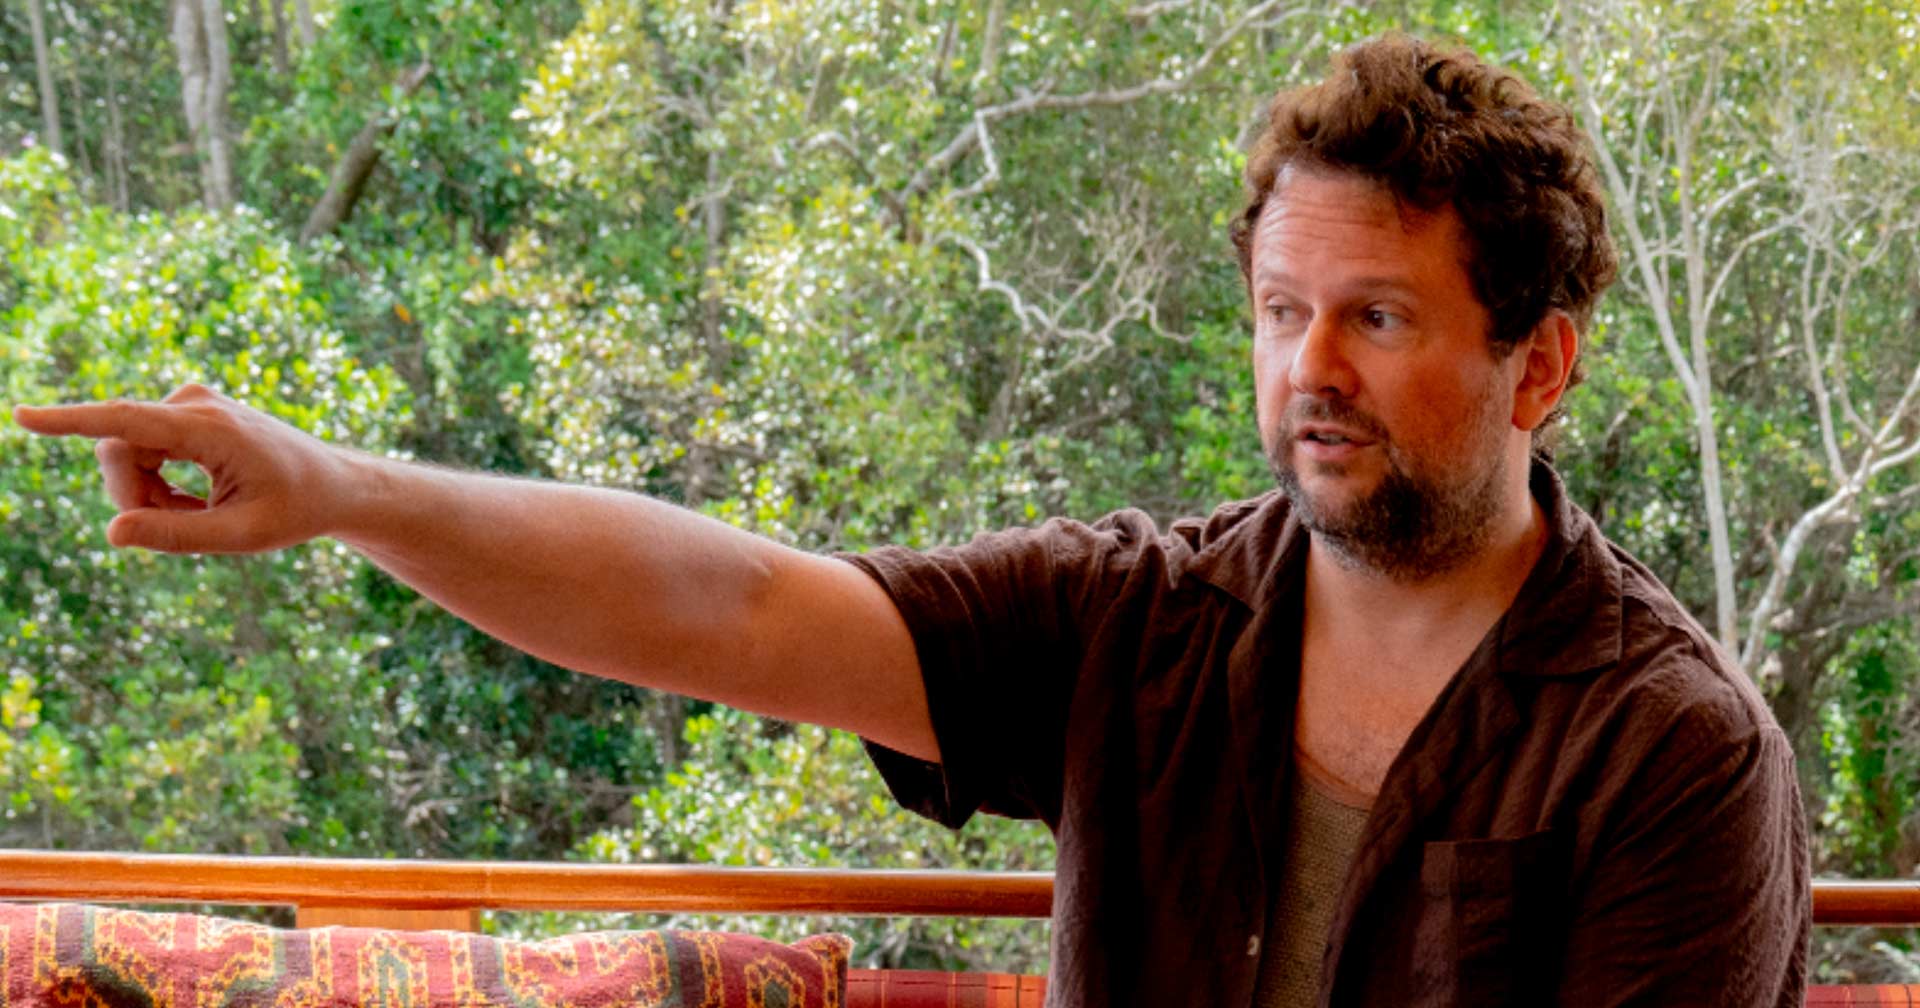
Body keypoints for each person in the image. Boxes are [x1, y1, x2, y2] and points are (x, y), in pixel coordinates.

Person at [12, 34, 1807, 1008]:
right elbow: (728, 607)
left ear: (1537, 363)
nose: (1309, 370)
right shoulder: (1137, 620)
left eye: (1380, 318)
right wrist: (340, 488)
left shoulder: (1672, 751)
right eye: (1281, 312)